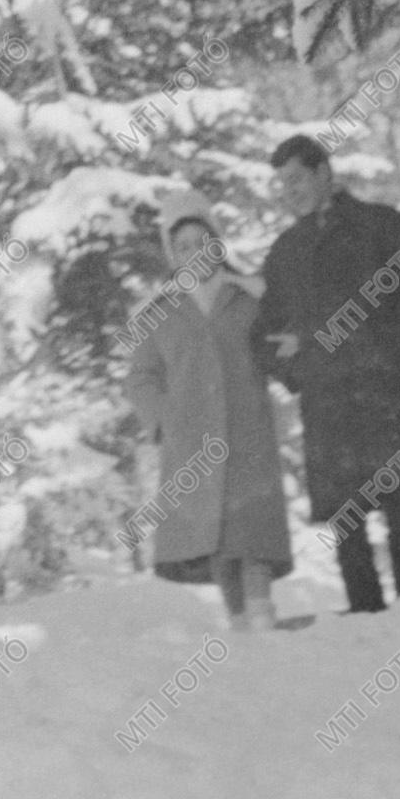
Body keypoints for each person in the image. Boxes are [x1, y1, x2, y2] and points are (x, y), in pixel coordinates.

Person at [251, 133, 400, 613]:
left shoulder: (382, 226)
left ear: (325, 172)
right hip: (330, 407)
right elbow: (264, 336)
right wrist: (297, 363)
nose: (291, 191)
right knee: (348, 523)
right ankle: (365, 630)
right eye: (282, 184)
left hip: (389, 396)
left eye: (298, 178)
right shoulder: (285, 253)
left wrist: (378, 341)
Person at [123, 202, 293, 629]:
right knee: (215, 539)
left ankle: (262, 615)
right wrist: (165, 422)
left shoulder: (250, 300)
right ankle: (237, 619)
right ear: (173, 257)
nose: (193, 253)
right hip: (192, 443)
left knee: (250, 532)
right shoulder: (158, 314)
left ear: (217, 248)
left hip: (247, 433)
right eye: (182, 247)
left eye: (201, 243)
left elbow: (279, 350)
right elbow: (140, 377)